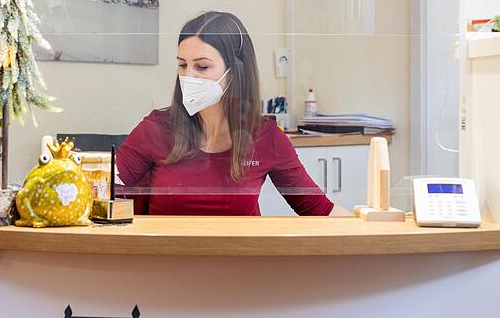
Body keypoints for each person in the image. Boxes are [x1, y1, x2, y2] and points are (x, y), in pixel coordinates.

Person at [117, 11, 351, 216]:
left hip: (238, 263)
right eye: (182, 65)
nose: (189, 76)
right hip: (164, 262)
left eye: (202, 66)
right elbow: (103, 190)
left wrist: (373, 226)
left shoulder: (266, 137)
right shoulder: (156, 128)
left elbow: (319, 210)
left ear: (234, 71)